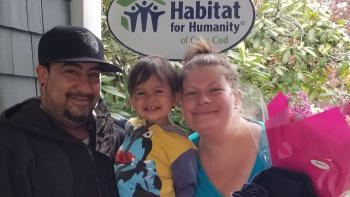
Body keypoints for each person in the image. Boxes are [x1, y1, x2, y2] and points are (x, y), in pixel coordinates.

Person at [0, 25, 124, 197]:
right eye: (72, 72)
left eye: (93, 74)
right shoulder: (11, 147)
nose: (85, 87)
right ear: (43, 75)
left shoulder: (116, 139)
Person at [179, 38, 271, 197]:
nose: (203, 99)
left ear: (236, 98)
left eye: (214, 90)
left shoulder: (275, 144)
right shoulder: (181, 155)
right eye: (191, 93)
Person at [114, 56, 197, 197]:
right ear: (132, 102)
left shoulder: (181, 146)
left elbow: (187, 188)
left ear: (175, 98)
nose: (149, 99)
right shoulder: (132, 125)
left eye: (158, 91)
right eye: (141, 93)